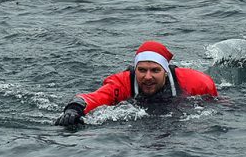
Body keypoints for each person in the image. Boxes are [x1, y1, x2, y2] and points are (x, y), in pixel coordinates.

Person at [52, 40, 218, 126]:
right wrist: (74, 109)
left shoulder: (197, 82)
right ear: (135, 69)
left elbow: (218, 108)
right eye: (142, 70)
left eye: (155, 70)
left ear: (166, 73)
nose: (147, 77)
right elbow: (95, 98)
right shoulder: (122, 83)